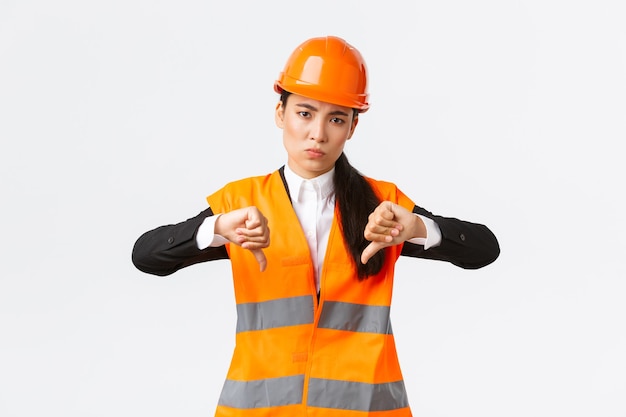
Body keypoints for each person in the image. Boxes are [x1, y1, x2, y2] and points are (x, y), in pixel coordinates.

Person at [132, 35, 500, 417]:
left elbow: (485, 249)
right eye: (305, 113)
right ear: (281, 114)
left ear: (353, 127)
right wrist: (216, 228)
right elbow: (146, 256)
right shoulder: (240, 205)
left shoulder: (383, 208)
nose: (318, 134)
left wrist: (421, 228)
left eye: (336, 119)